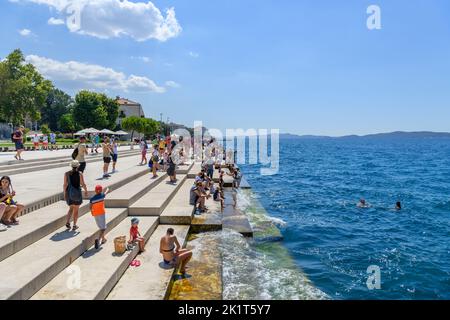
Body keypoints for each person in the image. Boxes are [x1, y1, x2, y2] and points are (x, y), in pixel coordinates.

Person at [64, 160, 88, 231]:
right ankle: (74, 225)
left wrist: (65, 193)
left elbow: (65, 185)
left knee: (71, 208)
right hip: (77, 193)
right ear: (78, 166)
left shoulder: (66, 174)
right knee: (76, 210)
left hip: (70, 193)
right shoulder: (80, 173)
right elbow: (83, 184)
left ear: (71, 166)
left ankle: (68, 222)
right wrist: (86, 191)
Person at [90, 185, 110, 249]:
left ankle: (103, 239)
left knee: (101, 227)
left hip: (95, 214)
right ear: (101, 190)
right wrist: (107, 189)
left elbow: (90, 207)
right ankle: (98, 240)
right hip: (101, 213)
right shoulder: (102, 196)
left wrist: (92, 211)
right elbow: (106, 192)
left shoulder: (92, 199)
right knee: (103, 228)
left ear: (95, 191)